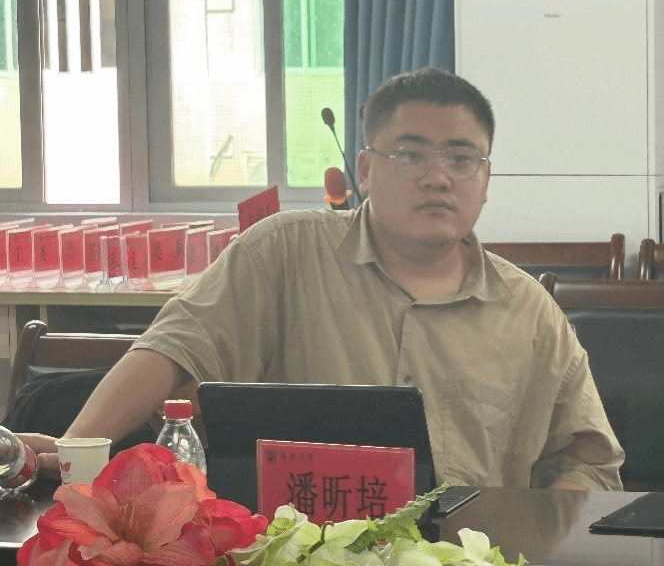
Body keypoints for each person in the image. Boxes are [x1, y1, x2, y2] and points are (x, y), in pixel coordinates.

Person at [21, 67, 624, 490]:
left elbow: (587, 460)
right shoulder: (285, 252)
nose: (438, 177)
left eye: (462, 159)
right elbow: (172, 349)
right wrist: (78, 451)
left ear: (486, 180)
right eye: (411, 154)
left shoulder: (528, 312)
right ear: (364, 170)